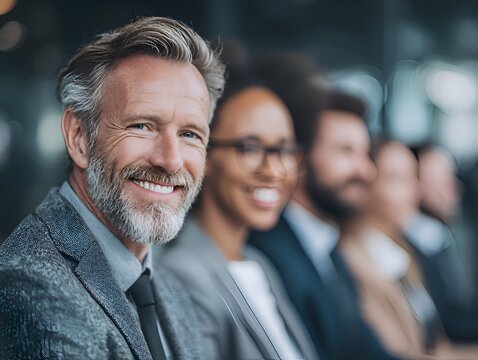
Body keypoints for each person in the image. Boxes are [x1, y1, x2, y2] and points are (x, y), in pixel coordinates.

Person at [0, 16, 225, 360]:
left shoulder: (163, 284)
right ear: (79, 137)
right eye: (142, 125)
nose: (171, 160)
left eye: (190, 134)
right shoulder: (29, 286)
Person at [157, 78, 319, 360]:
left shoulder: (258, 264)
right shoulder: (183, 274)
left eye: (283, 151)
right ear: (204, 155)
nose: (272, 171)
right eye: (249, 148)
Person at [249, 82, 398, 360]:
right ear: (299, 161)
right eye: (346, 151)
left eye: (365, 154)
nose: (366, 170)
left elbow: (365, 349)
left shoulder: (327, 247)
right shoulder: (269, 253)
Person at [340, 139, 478, 359]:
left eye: (414, 177)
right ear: (366, 184)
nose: (414, 190)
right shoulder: (353, 263)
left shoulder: (406, 251)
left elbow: (438, 345)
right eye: (398, 179)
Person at [405, 145, 478, 342]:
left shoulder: (441, 237)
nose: (454, 188)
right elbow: (448, 321)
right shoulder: (414, 248)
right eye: (441, 180)